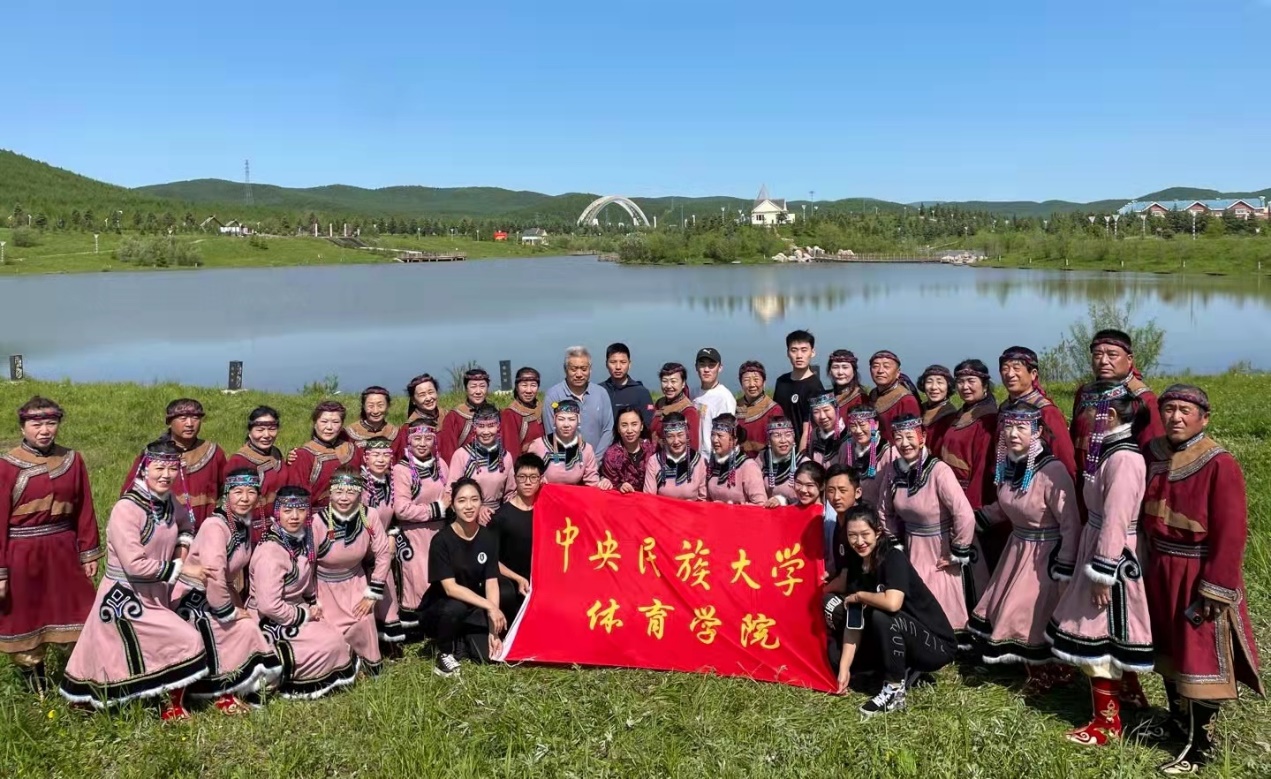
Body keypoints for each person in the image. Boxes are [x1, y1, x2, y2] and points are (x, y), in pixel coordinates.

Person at [1140, 385, 1264, 774]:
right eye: (1169, 409)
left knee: (1199, 656)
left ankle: (1199, 746)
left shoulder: (1219, 462)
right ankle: (1177, 724)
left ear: (1203, 418)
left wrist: (1217, 586)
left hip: (1196, 572)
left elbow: (1231, 532)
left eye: (1185, 410)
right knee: (1168, 650)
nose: (1176, 417)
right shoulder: (1153, 454)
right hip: (1160, 566)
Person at [60, 440, 209, 720]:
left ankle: (161, 702)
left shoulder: (169, 502)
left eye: (172, 468)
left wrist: (180, 551)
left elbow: (187, 525)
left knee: (141, 650)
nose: (166, 475)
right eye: (159, 468)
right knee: (184, 640)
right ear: (144, 469)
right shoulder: (127, 509)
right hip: (125, 597)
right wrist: (183, 570)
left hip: (155, 592)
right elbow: (135, 564)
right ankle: (170, 708)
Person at [1046, 381, 1153, 746]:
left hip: (1112, 553)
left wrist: (1104, 572)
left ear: (1110, 415)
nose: (1088, 416)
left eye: (1093, 410)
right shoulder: (1108, 449)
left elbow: (1116, 519)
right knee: (1105, 632)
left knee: (1099, 633)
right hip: (1097, 542)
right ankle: (1130, 696)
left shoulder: (1124, 459)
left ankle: (1107, 724)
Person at [968, 402, 1079, 694]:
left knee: (1029, 610)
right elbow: (1007, 506)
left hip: (1045, 551)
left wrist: (1065, 566)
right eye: (1008, 427)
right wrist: (972, 520)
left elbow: (1070, 523)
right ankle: (1034, 669)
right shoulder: (1011, 464)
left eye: (1021, 427)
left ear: (1038, 431)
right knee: (1009, 606)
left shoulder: (1052, 470)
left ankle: (1050, 673)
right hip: (1018, 547)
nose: (1013, 434)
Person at [0, 397, 102, 695]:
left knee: (78, 612)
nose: (44, 430)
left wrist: (89, 552)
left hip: (64, 550)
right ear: (23, 427)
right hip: (21, 553)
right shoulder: (6, 465)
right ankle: (37, 689)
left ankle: (80, 683)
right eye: (36, 424)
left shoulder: (73, 460)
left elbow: (84, 508)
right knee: (27, 616)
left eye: (51, 423)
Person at [828, 504, 956, 717]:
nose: (859, 541)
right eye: (852, 535)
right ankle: (896, 668)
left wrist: (860, 596)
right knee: (835, 657)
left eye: (865, 534)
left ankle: (894, 691)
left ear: (877, 532)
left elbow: (893, 603)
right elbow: (854, 621)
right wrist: (844, 669)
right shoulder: (856, 563)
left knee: (882, 615)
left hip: (936, 645)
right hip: (897, 635)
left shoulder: (892, 557)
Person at [170, 468, 282, 712]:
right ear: (226, 495)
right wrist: (229, 612)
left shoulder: (240, 524)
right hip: (192, 598)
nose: (245, 498)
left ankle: (234, 687)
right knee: (239, 629)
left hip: (216, 594)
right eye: (238, 492)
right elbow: (214, 575)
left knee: (250, 624)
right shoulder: (216, 526)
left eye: (251, 492)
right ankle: (221, 690)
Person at [878, 415, 987, 649]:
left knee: (941, 593)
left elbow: (964, 513)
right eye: (899, 438)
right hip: (911, 543)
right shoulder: (893, 471)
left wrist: (957, 551)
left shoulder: (939, 470)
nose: (905, 443)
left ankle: (950, 642)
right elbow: (884, 510)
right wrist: (896, 543)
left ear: (923, 438)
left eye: (910, 436)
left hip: (940, 544)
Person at [249, 486, 360, 699]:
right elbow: (269, 605)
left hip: (296, 608)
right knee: (328, 643)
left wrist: (312, 603)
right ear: (277, 512)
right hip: (270, 619)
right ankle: (268, 679)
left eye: (300, 510)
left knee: (335, 635)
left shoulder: (303, 539)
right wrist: (305, 614)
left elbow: (306, 575)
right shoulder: (270, 553)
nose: (294, 516)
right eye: (287, 511)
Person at [420, 478, 511, 676]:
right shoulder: (441, 541)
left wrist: (493, 631)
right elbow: (450, 588)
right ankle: (444, 653)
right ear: (453, 505)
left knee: (487, 656)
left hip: (473, 607)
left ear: (481, 502)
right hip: (441, 608)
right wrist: (491, 607)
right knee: (456, 607)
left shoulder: (488, 537)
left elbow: (491, 581)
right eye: (462, 501)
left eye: (474, 499)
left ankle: (461, 638)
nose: (469, 506)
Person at [313, 469, 393, 676]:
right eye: (338, 492)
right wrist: (311, 599)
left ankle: (367, 665)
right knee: (330, 632)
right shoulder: (317, 521)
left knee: (364, 620)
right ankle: (340, 667)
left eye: (350, 492)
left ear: (359, 493)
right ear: (330, 493)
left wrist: (372, 593)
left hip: (356, 582)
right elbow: (307, 563)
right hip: (324, 587)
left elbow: (383, 553)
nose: (344, 498)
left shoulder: (369, 515)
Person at [1070, 329, 1165, 479]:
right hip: (1084, 480)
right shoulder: (1085, 393)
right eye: (1097, 355)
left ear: (1129, 359)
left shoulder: (1142, 398)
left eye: (1112, 355)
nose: (1103, 361)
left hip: (1123, 478)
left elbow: (1152, 451)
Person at [119, 398, 226, 530]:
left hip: (206, 531)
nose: (190, 424)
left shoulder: (214, 452)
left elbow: (227, 492)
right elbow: (131, 494)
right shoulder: (153, 454)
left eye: (195, 418)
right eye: (182, 418)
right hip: (162, 531)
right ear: (169, 421)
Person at [390, 419, 451, 642]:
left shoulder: (441, 464)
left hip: (439, 532)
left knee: (438, 577)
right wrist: (438, 508)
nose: (422, 443)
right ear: (409, 441)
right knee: (416, 580)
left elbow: (450, 494)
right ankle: (415, 631)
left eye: (427, 438)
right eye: (417, 438)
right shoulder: (401, 470)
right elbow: (401, 509)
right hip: (413, 534)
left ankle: (438, 627)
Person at [998, 346, 1076, 479]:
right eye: (1005, 368)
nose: (1010, 374)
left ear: (1033, 374)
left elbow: (1064, 456)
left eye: (1016, 368)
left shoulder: (1046, 411)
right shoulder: (1004, 408)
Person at [359, 437, 405, 648]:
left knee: (387, 591)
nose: (380, 460)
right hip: (363, 546)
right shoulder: (359, 484)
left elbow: (394, 513)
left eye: (385, 455)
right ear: (365, 458)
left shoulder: (390, 480)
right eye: (375, 455)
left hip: (384, 544)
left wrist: (392, 535)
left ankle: (387, 639)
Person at [489, 453, 546, 620]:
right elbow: (492, 560)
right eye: (522, 477)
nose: (528, 482)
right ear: (515, 478)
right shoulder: (501, 517)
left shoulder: (546, 512)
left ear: (541, 479)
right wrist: (517, 578)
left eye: (533, 477)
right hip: (512, 582)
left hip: (541, 579)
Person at [939, 360, 998, 511]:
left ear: (984, 385)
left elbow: (982, 468)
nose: (965, 387)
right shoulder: (963, 412)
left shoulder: (987, 419)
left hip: (967, 496)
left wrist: (972, 507)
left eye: (971, 381)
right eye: (960, 382)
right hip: (950, 490)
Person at [225, 406, 289, 541]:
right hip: (250, 532)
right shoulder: (239, 460)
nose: (266, 435)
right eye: (260, 430)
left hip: (279, 528)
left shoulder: (276, 453)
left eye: (272, 429)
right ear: (250, 432)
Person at [447, 404, 515, 523]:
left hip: (497, 518)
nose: (486, 432)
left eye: (491, 426)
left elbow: (510, 493)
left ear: (498, 427)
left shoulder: (505, 457)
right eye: (481, 426)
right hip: (468, 517)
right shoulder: (462, 455)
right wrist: (477, 507)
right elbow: (451, 492)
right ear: (474, 427)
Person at [542, 346, 615, 457]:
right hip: (566, 462)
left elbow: (608, 429)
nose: (579, 374)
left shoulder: (601, 393)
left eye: (584, 369)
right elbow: (551, 432)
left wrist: (595, 460)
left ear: (590, 369)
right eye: (574, 369)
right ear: (565, 369)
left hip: (598, 462)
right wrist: (572, 462)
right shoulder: (553, 396)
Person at [289, 400, 363, 510]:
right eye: (324, 421)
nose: (329, 427)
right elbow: (298, 497)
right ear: (315, 423)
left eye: (335, 422)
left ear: (342, 424)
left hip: (353, 513)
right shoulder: (303, 455)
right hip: (318, 516)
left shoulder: (354, 450)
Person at [526, 399, 601, 487]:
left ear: (578, 420)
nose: (566, 424)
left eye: (571, 419)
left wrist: (603, 483)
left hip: (571, 494)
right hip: (544, 493)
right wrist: (535, 479)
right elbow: (526, 474)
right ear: (554, 420)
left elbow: (593, 482)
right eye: (561, 419)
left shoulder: (586, 449)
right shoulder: (538, 445)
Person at [772, 330, 825, 452]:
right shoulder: (781, 381)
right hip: (780, 447)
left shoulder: (815, 386)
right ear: (788, 353)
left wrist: (801, 457)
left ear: (813, 352)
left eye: (804, 350)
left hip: (803, 450)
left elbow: (809, 429)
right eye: (794, 350)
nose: (799, 355)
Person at [643, 412, 706, 501]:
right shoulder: (654, 461)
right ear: (664, 438)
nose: (676, 441)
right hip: (662, 509)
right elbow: (649, 498)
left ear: (687, 434)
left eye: (680, 435)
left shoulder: (699, 461)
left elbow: (704, 499)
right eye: (670, 436)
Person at [704, 415, 766, 505]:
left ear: (734, 440)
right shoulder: (712, 465)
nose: (714, 440)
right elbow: (706, 500)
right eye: (713, 435)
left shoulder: (748, 467)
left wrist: (730, 509)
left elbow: (760, 505)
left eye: (720, 436)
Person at [843, 405, 897, 508]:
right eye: (853, 425)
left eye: (862, 425)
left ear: (875, 424)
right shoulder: (845, 448)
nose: (858, 430)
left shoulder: (889, 453)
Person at [438, 367, 491, 463]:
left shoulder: (495, 414)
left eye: (482, 386)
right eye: (473, 387)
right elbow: (448, 452)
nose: (478, 391)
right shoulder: (454, 416)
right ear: (466, 389)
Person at [867, 351, 921, 442]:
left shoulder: (906, 400)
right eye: (875, 366)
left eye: (886, 366)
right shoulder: (873, 394)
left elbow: (913, 435)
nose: (880, 371)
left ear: (898, 372)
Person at [599, 406, 656, 493]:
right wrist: (620, 486)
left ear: (641, 426)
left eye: (634, 424)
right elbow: (610, 484)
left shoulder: (653, 449)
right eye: (624, 425)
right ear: (618, 429)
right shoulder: (611, 455)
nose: (629, 430)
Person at [734, 360, 784, 459]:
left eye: (756, 379)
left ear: (764, 382)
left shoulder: (774, 410)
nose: (752, 384)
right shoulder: (734, 407)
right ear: (741, 383)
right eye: (747, 380)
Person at [599, 343, 654, 428]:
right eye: (613, 362)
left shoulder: (641, 392)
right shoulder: (598, 391)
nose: (618, 367)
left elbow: (648, 423)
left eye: (623, 362)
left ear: (629, 364)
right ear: (606, 364)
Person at [395, 373, 448, 460]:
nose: (428, 398)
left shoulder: (449, 417)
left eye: (431, 392)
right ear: (413, 400)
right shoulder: (408, 428)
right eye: (422, 395)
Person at [820, 464, 862, 575]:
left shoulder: (861, 524)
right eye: (831, 491)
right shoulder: (837, 523)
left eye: (842, 491)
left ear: (857, 493)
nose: (836, 497)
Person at [694, 347, 737, 453]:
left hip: (713, 457)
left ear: (720, 368)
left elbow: (727, 435)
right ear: (696, 367)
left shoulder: (725, 398)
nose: (706, 370)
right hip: (694, 457)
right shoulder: (693, 393)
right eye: (702, 365)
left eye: (711, 365)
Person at [650, 362, 701, 449]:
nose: (668, 386)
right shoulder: (660, 403)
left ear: (683, 383)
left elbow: (692, 446)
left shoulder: (688, 411)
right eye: (665, 381)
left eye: (673, 381)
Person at [759, 417, 808, 507]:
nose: (783, 440)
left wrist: (782, 501)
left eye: (788, 435)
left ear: (793, 438)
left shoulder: (804, 463)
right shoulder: (762, 458)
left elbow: (809, 498)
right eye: (777, 435)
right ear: (769, 440)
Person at [500, 366, 544, 456]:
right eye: (524, 385)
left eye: (533, 385)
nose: (529, 390)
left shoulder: (543, 408)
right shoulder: (510, 414)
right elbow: (510, 450)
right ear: (517, 387)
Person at [918, 364, 957, 454]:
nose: (934, 387)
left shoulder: (951, 417)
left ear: (948, 386)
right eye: (929, 382)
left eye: (940, 382)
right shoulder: (918, 410)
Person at [808, 392, 849, 467]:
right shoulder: (815, 434)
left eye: (826, 410)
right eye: (816, 412)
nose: (822, 416)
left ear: (836, 409)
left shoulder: (848, 436)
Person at [827, 349, 865, 417]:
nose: (840, 372)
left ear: (854, 371)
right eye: (835, 367)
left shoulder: (861, 398)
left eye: (845, 367)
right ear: (830, 371)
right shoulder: (826, 397)